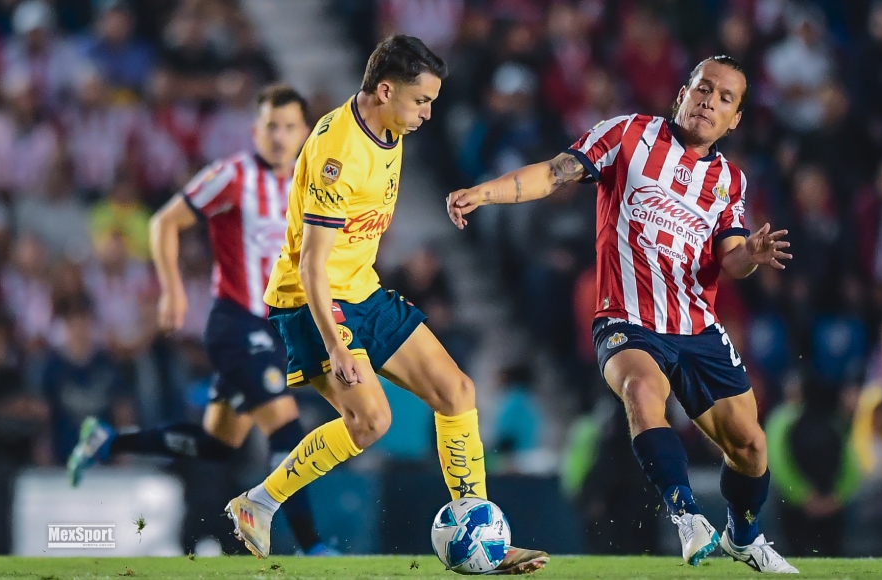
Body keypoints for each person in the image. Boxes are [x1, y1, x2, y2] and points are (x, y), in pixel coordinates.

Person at [448, 55, 798, 573]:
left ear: (736, 119)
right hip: (626, 319)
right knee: (641, 391)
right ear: (682, 93)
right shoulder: (627, 136)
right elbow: (554, 173)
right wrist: (486, 192)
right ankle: (686, 517)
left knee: (750, 446)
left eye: (725, 98)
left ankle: (743, 538)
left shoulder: (729, 181)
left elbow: (729, 258)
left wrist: (752, 253)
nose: (709, 101)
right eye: (703, 88)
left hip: (696, 327)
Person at [223, 35, 547, 573]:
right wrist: (336, 346)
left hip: (362, 290)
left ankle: (481, 530)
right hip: (312, 301)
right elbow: (311, 266)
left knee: (457, 391)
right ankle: (259, 502)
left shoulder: (388, 129)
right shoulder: (338, 150)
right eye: (421, 101)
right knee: (371, 421)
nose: (426, 114)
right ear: (386, 89)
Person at [66, 84, 336, 556]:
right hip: (236, 323)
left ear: (304, 133)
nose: (279, 135)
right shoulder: (230, 175)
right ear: (255, 130)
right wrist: (172, 291)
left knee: (217, 444)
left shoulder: (308, 185)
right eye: (271, 126)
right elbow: (163, 223)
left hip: (277, 331)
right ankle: (312, 545)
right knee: (288, 429)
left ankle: (107, 442)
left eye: (290, 126)